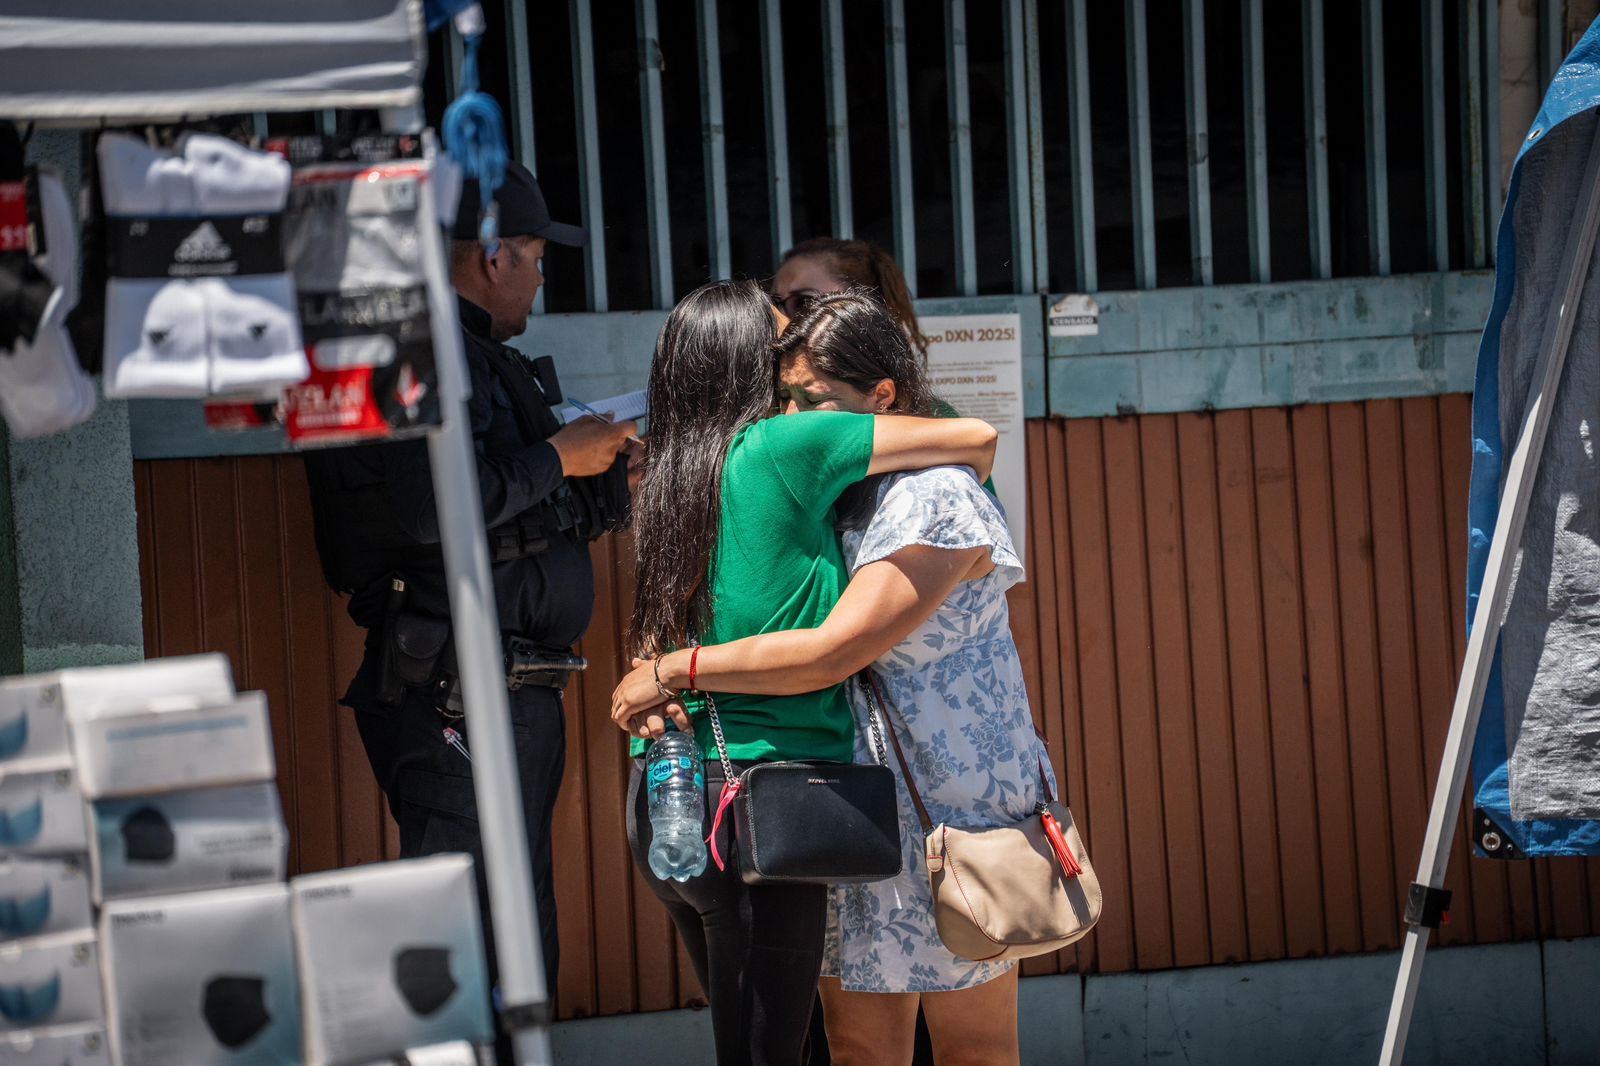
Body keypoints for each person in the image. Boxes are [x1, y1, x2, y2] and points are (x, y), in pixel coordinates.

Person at [614, 291, 1054, 1066]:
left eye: (809, 400)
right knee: (854, 1048)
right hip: (838, 802)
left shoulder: (932, 496)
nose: (788, 413)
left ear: (881, 398)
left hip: (943, 806)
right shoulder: (806, 484)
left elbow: (834, 648)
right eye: (780, 394)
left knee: (972, 1047)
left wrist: (670, 672)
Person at [302, 163, 638, 1016]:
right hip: (456, 691)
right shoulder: (414, 352)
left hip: (510, 685)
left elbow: (522, 510)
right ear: (492, 254)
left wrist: (605, 469)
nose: (540, 274)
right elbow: (430, 506)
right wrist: (561, 458)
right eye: (532, 254)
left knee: (515, 925)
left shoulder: (481, 358)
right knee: (474, 935)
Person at [771, 236, 932, 357]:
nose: (780, 319)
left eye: (803, 302)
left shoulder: (909, 400)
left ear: (865, 306)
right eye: (774, 304)